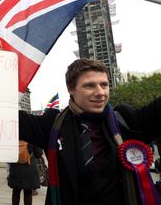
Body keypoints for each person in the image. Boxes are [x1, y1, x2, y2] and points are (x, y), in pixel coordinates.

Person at [17, 58, 161, 205]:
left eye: (104, 85)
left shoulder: (126, 120)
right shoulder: (51, 125)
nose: (100, 92)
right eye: (89, 86)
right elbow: (3, 115)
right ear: (70, 88)